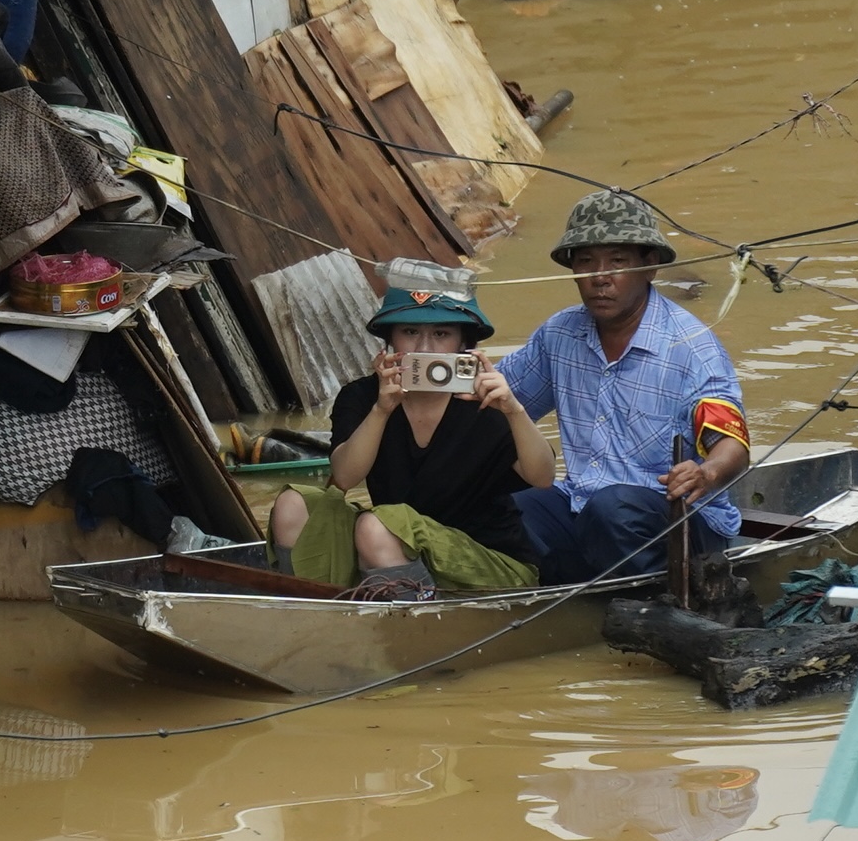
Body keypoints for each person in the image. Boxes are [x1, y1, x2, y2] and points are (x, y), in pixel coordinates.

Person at [499, 190, 751, 585]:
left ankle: (657, 608)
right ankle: (569, 596)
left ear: (649, 266)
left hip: (680, 520)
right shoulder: (559, 334)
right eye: (586, 262)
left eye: (616, 261)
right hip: (585, 507)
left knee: (613, 508)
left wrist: (707, 473)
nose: (600, 278)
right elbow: (503, 399)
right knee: (508, 509)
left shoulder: (691, 348)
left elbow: (731, 444)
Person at [268, 289, 555, 599]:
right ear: (391, 340)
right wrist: (382, 409)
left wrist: (514, 409)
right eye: (410, 332)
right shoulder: (363, 397)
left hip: (487, 562)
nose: (425, 347)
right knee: (293, 505)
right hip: (387, 545)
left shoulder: (483, 400)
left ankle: (418, 628)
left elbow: (542, 477)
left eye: (441, 334)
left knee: (377, 526)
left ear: (463, 345)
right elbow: (345, 478)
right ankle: (311, 616)